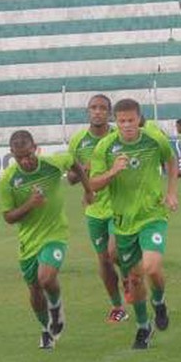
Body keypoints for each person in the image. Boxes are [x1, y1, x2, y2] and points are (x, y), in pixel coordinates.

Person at [90, 98, 178, 349]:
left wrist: (171, 192)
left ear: (139, 119)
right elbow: (93, 184)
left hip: (152, 216)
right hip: (123, 224)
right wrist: (112, 172)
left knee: (150, 268)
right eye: (121, 121)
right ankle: (143, 327)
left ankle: (159, 302)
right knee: (136, 280)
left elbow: (171, 161)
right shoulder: (105, 148)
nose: (127, 125)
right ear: (115, 122)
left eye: (131, 120)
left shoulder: (154, 139)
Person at [0, 130, 94, 349]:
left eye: (28, 154)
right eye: (19, 156)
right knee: (34, 290)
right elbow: (8, 218)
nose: (25, 160)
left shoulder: (52, 163)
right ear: (12, 154)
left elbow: (75, 164)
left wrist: (88, 191)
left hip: (55, 234)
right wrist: (30, 204)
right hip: (28, 242)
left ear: (36, 148)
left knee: (46, 277)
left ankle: (56, 308)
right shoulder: (7, 181)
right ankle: (46, 329)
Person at [67, 94, 128, 322]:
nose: (98, 111)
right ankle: (117, 306)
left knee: (114, 253)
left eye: (103, 108)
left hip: (118, 205)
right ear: (88, 112)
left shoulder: (118, 136)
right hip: (94, 209)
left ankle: (129, 276)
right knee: (103, 260)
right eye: (94, 107)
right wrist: (85, 169)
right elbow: (71, 178)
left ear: (110, 113)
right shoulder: (78, 141)